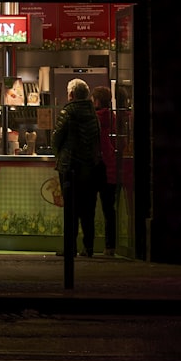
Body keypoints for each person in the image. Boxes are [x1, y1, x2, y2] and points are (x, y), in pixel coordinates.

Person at [53, 78, 103, 258]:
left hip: (69, 166)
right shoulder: (92, 112)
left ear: (71, 94)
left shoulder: (68, 111)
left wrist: (57, 153)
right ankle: (88, 247)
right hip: (89, 166)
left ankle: (70, 247)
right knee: (88, 208)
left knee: (71, 209)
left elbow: (57, 137)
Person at [92, 86, 118, 256]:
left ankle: (89, 245)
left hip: (96, 166)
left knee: (90, 207)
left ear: (97, 101)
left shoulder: (94, 119)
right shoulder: (115, 117)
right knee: (109, 209)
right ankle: (110, 246)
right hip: (112, 167)